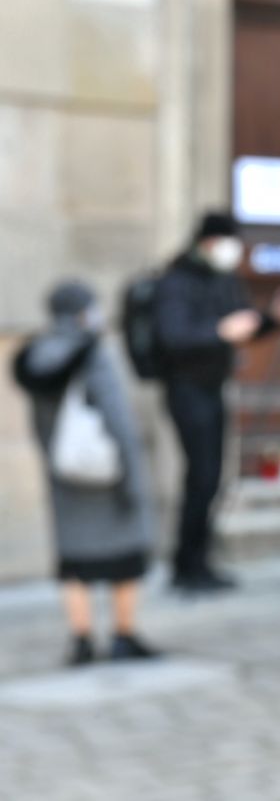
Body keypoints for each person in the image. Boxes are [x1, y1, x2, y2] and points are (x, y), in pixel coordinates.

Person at [154, 211, 280, 593]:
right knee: (201, 477)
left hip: (213, 387)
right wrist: (219, 330)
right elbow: (175, 337)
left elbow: (244, 326)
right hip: (186, 388)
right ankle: (187, 566)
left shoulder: (224, 279)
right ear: (207, 242)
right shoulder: (176, 281)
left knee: (211, 477)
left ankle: (198, 560)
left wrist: (274, 318)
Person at [12, 281, 159, 664]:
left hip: (65, 474)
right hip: (107, 472)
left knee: (75, 561)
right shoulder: (92, 351)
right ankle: (123, 634)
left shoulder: (36, 354)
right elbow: (118, 419)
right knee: (124, 556)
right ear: (82, 312)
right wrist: (132, 475)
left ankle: (81, 639)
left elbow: (39, 426)